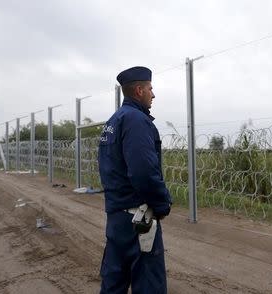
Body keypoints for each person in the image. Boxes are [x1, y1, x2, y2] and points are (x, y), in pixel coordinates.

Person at [98, 66, 172, 294]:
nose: (154, 94)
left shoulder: (113, 121)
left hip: (117, 217)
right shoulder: (136, 120)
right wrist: (162, 203)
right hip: (138, 220)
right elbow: (143, 172)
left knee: (114, 282)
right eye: (150, 88)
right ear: (139, 90)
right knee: (149, 284)